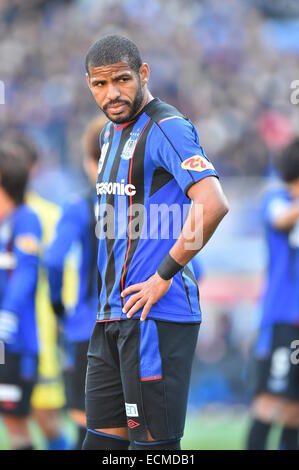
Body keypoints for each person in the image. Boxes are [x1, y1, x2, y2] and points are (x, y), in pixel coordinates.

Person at [82, 34, 229, 451]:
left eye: (122, 80)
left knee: (154, 452)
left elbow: (213, 203)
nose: (112, 93)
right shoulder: (110, 136)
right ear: (88, 84)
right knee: (100, 445)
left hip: (155, 316)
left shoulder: (167, 127)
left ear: (143, 73)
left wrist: (164, 274)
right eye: (99, 84)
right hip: (111, 317)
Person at [2, 134, 69, 450]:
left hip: (29, 335)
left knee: (39, 417)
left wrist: (8, 315)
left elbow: (35, 273)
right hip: (10, 338)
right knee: (12, 419)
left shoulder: (36, 216)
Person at [44, 115, 107, 450]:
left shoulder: (81, 203)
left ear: (87, 159)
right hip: (138, 326)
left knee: (87, 427)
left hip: (88, 326)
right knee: (136, 429)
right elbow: (194, 269)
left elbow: (54, 259)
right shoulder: (147, 206)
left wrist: (59, 308)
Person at [246, 140, 299, 451]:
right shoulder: (275, 199)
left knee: (294, 411)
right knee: (269, 404)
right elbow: (281, 219)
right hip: (282, 321)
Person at [0, 144, 42, 450]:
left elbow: (26, 273)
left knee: (15, 422)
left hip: (14, 343)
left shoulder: (26, 219)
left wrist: (7, 314)